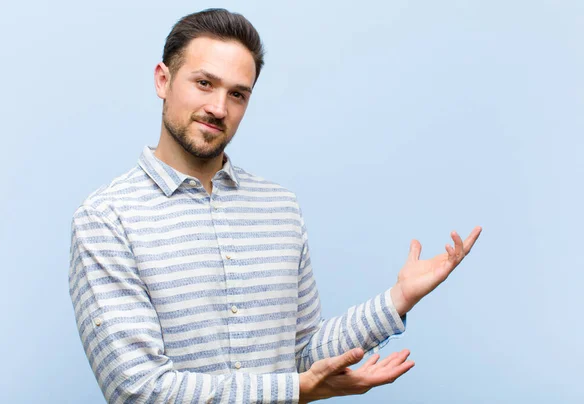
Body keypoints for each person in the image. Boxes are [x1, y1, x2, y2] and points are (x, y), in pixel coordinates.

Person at [68, 8, 482, 403]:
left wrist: (397, 299)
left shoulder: (280, 208)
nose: (218, 108)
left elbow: (302, 356)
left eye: (238, 94)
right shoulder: (106, 220)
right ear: (163, 80)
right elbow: (139, 390)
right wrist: (295, 392)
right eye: (204, 83)